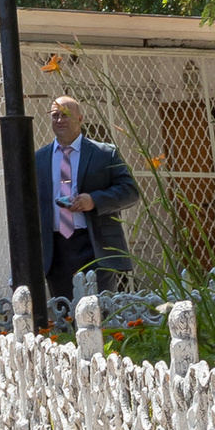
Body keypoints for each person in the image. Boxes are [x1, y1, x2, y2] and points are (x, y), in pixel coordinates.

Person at [38, 92, 139, 293]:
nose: (59, 120)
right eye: (55, 115)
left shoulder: (104, 153)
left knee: (100, 313)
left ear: (80, 119)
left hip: (95, 247)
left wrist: (94, 200)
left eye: (65, 114)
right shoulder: (39, 158)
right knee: (65, 315)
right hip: (56, 250)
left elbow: (130, 191)